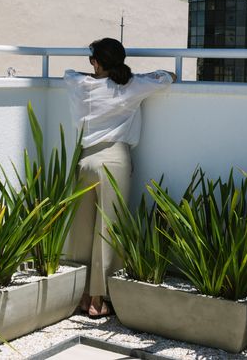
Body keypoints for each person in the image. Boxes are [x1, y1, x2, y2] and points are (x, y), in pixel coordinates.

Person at [63, 37, 176, 318]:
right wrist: (126, 74)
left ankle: (80, 295)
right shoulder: (131, 86)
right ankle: (98, 301)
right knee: (109, 228)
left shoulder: (79, 83)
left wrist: (96, 72)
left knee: (81, 229)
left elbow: (69, 73)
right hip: (114, 159)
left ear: (95, 62)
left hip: (84, 160)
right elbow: (167, 77)